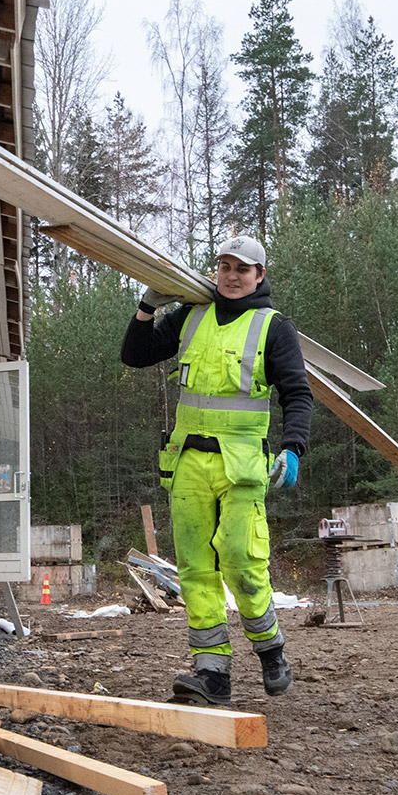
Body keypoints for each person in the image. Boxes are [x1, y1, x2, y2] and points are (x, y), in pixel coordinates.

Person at [121, 235, 312, 706]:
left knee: (241, 559)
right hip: (187, 463)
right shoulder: (191, 314)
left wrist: (293, 448)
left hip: (243, 465)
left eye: (242, 269)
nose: (231, 275)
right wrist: (147, 305)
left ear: (259, 275)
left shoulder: (273, 327)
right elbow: (135, 354)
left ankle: (270, 650)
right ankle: (212, 674)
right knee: (194, 568)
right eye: (224, 266)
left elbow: (298, 394)